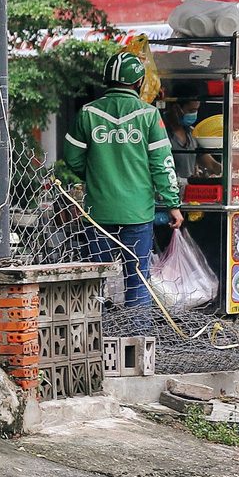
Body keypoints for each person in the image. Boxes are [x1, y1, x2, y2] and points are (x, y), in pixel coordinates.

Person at [59, 51, 184, 315]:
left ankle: (95, 339)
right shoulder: (149, 115)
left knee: (95, 282)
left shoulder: (88, 113)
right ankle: (137, 343)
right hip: (137, 212)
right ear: (138, 82)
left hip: (98, 213)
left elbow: (72, 158)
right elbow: (162, 163)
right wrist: (172, 203)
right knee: (137, 280)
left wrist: (97, 176)